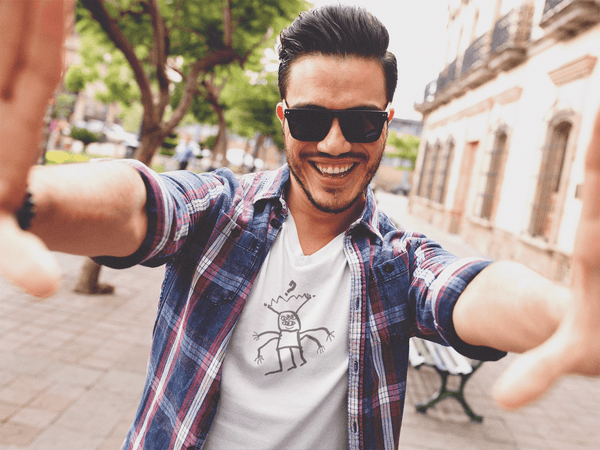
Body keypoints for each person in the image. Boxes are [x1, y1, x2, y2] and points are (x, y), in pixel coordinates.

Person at [0, 2, 598, 450]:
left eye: (362, 122)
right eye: (312, 118)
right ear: (284, 118)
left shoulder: (399, 260)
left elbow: (468, 290)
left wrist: (566, 312)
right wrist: (28, 199)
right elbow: (140, 203)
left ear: (388, 123)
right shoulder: (220, 212)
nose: (335, 143)